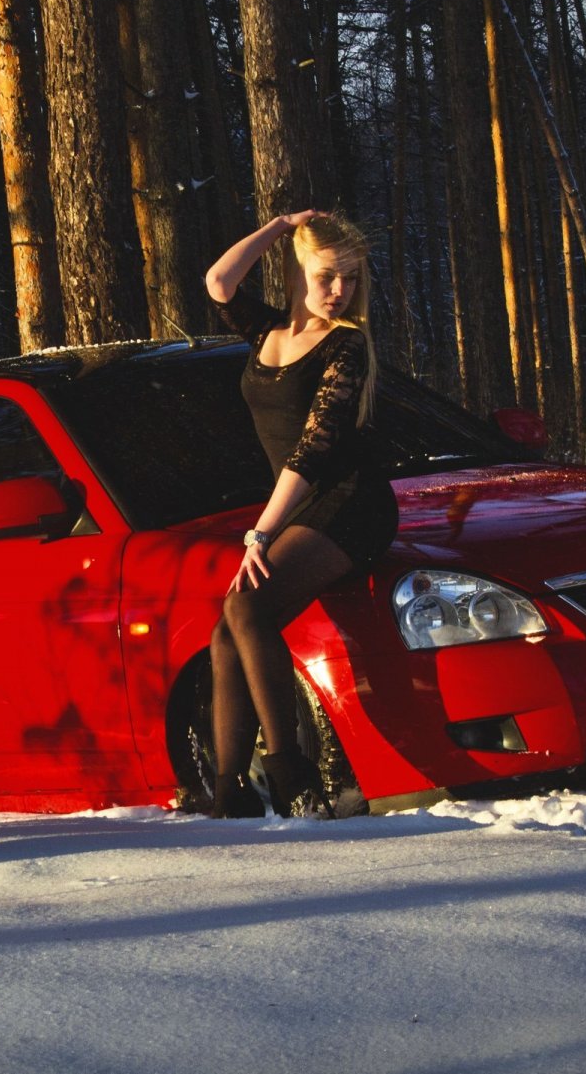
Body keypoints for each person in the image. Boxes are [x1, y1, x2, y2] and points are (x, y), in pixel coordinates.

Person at [201, 209, 399, 818]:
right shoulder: (265, 331)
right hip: (302, 503)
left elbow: (313, 451)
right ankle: (229, 790)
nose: (340, 290)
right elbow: (218, 282)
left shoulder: (347, 345)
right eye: (327, 276)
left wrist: (261, 532)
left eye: (352, 279)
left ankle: (289, 768)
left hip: (350, 501)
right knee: (225, 632)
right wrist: (280, 226)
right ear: (296, 273)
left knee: (244, 605)